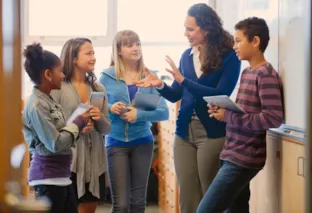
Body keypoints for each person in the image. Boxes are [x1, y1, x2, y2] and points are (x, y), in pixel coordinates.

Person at [135, 3, 241, 212]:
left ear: (207, 29)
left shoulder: (229, 56)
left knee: (209, 197)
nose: (186, 34)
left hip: (211, 133)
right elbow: (176, 94)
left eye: (190, 29)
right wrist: (161, 85)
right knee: (188, 196)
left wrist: (183, 80)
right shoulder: (186, 55)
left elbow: (219, 94)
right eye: (185, 28)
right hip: (184, 133)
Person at [197, 17, 284, 213]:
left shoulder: (265, 74)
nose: (234, 46)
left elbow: (273, 118)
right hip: (232, 152)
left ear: (255, 41)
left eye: (238, 40)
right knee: (236, 210)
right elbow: (247, 111)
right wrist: (224, 110)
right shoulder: (247, 72)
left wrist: (229, 116)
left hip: (244, 158)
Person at [99, 30, 169, 213]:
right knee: (121, 205)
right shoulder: (107, 77)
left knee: (138, 203)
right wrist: (110, 107)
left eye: (138, 44)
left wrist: (138, 115)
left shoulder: (151, 76)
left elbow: (163, 112)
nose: (136, 48)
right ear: (119, 50)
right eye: (129, 45)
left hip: (142, 141)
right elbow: (96, 107)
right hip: (115, 142)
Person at [22, 43, 92, 213]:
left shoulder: (48, 99)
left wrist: (77, 127)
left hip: (61, 177)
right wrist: (78, 123)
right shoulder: (37, 105)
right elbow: (56, 143)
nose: (62, 75)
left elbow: (61, 132)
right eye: (59, 71)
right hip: (47, 180)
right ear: (47, 74)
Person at [51, 38, 111, 213]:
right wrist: (76, 126)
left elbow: (107, 129)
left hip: (95, 162)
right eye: (88, 53)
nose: (93, 57)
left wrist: (99, 118)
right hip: (70, 161)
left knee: (89, 208)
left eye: (93, 53)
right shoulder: (58, 88)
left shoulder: (98, 88)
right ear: (74, 58)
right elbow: (52, 127)